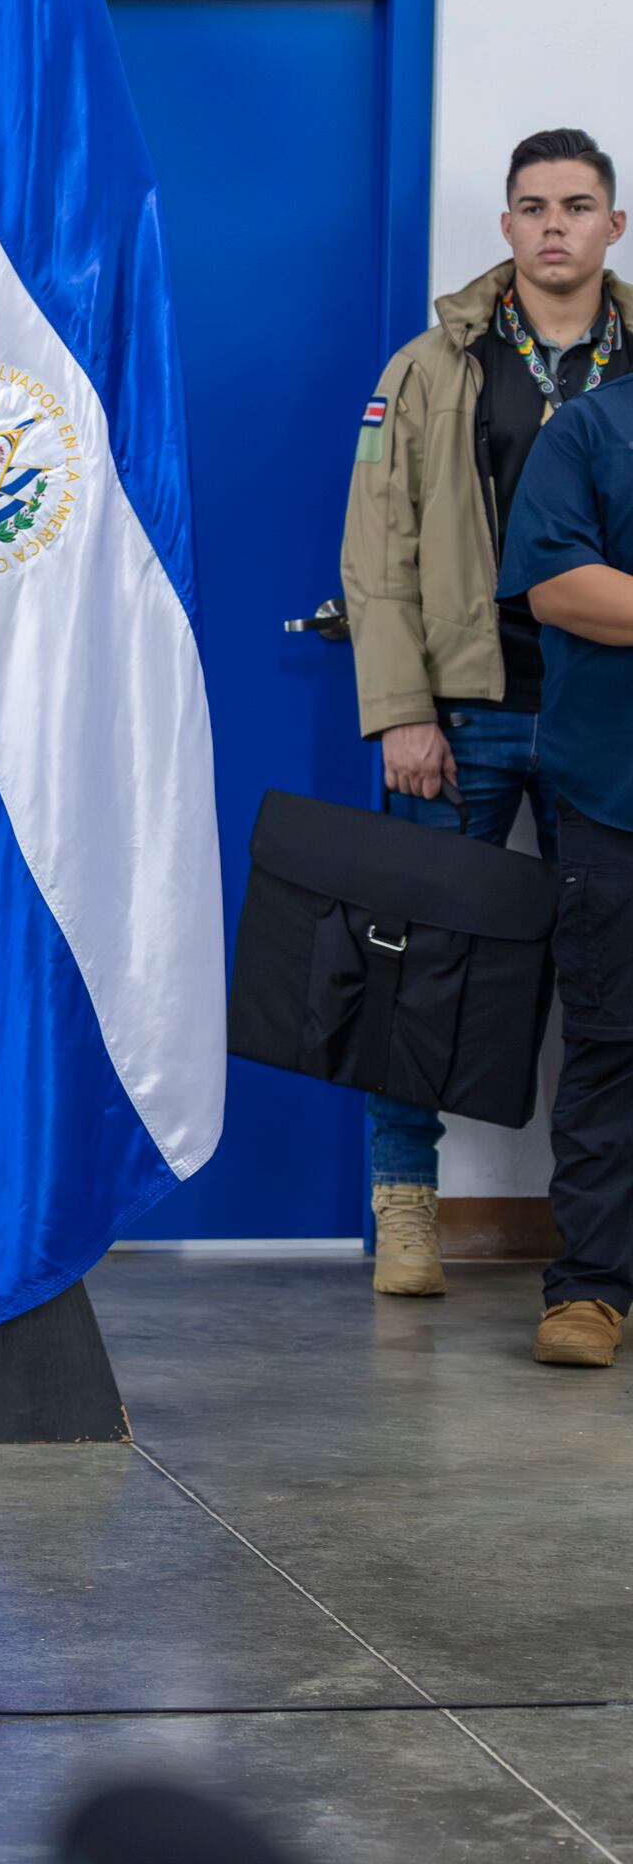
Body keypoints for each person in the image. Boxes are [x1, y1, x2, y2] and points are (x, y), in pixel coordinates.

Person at [341, 129, 629, 1296]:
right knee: (418, 962)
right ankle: (408, 1199)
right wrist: (402, 709)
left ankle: (595, 1246)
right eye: (531, 207)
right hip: (468, 712)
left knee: (606, 978)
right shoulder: (431, 367)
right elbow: (379, 552)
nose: (553, 224)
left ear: (613, 225)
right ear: (504, 227)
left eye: (577, 205)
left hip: (607, 718)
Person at [497, 327, 633, 1367]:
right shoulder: (589, 428)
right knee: (612, 1044)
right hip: (615, 793)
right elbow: (561, 589)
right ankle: (590, 1289)